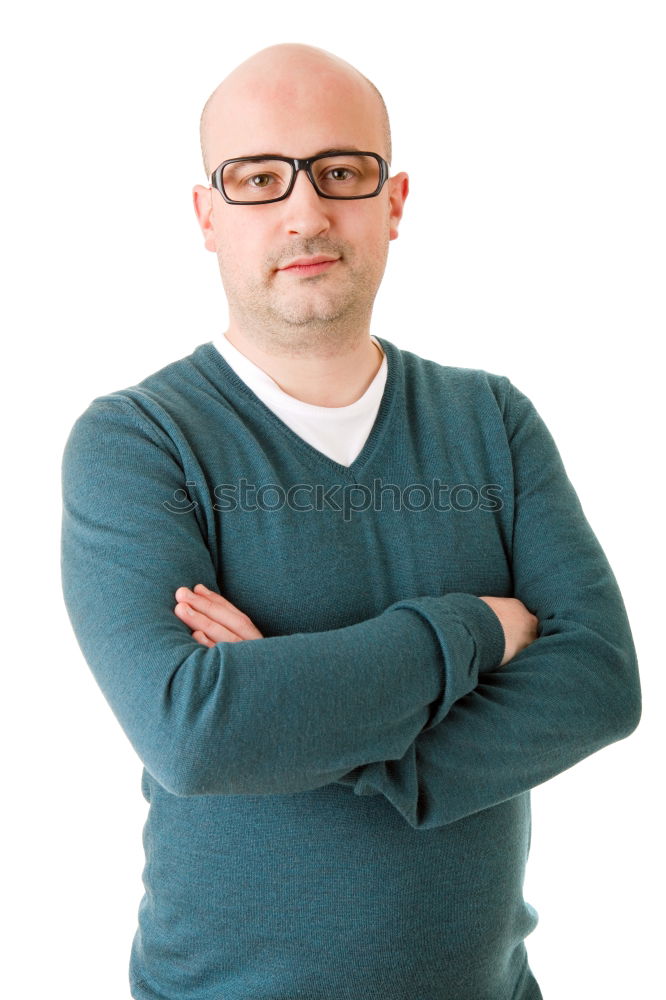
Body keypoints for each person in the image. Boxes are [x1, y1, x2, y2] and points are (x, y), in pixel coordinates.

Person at [60, 42, 641, 1000]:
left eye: (341, 171)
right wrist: (477, 628)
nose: (305, 211)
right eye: (258, 177)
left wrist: (300, 718)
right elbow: (196, 734)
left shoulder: (492, 420)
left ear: (395, 200)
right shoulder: (138, 443)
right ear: (207, 217)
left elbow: (602, 683)